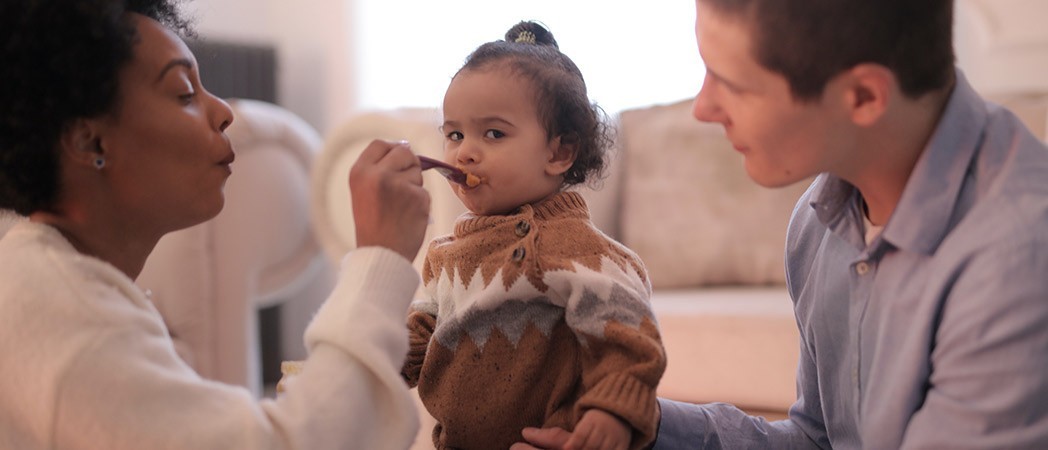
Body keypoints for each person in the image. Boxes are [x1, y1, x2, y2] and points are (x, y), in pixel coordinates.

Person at [514, 0, 1048, 449]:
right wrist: (640, 427)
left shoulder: (1016, 262)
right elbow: (820, 439)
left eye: (731, 83)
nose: (702, 108)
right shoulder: (822, 219)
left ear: (863, 96)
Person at [0, 1, 430, 448]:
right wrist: (379, 260)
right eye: (184, 92)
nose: (224, 110)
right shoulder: (70, 321)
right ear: (90, 140)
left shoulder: (49, 280)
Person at [402, 21, 666, 450]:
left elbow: (629, 335)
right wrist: (360, 361)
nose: (464, 150)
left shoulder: (577, 249)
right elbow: (417, 339)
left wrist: (612, 411)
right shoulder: (444, 255)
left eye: (493, 133)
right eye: (454, 134)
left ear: (559, 152)